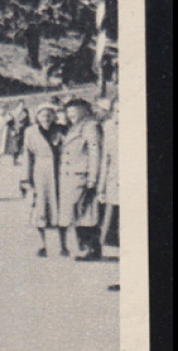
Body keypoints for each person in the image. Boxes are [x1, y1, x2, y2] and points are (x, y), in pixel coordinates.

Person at [59, 97, 104, 261]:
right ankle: (84, 247)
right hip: (71, 177)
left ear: (84, 110)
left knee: (86, 213)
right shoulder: (73, 128)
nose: (71, 115)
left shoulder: (90, 126)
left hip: (82, 176)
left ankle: (91, 248)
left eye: (74, 111)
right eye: (68, 112)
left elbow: (95, 153)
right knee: (77, 213)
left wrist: (92, 179)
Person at [22, 103, 64, 257]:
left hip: (59, 172)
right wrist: (25, 178)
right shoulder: (30, 132)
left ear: (54, 116)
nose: (46, 118)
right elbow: (27, 155)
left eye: (49, 115)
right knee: (40, 208)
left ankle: (63, 245)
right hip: (40, 172)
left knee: (60, 209)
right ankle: (41, 244)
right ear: (37, 117)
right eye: (42, 115)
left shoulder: (60, 130)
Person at [97, 97, 120, 250]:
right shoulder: (108, 128)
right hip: (114, 176)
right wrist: (101, 188)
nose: (120, 115)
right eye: (117, 111)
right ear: (112, 113)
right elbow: (105, 159)